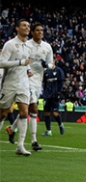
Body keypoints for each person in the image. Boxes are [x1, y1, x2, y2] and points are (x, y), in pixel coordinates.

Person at [8, 22, 54, 151]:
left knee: (26, 109)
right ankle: (34, 141)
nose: (40, 32)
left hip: (38, 81)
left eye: (42, 30)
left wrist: (47, 66)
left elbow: (52, 64)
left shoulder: (47, 47)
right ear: (32, 32)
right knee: (33, 108)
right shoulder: (26, 45)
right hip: (25, 78)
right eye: (37, 30)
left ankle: (11, 129)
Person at [0, 19, 33, 156]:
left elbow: (27, 62)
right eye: (24, 25)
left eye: (28, 26)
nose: (27, 28)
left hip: (24, 84)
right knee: (3, 113)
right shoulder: (10, 44)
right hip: (10, 83)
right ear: (17, 28)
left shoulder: (29, 46)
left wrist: (28, 69)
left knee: (24, 112)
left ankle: (20, 146)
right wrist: (21, 63)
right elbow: (1, 63)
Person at [41, 65, 66, 136]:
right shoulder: (46, 72)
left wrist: (59, 92)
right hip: (47, 95)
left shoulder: (59, 70)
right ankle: (48, 131)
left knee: (54, 112)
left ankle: (60, 124)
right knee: (46, 112)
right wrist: (44, 93)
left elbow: (61, 83)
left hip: (55, 94)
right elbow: (45, 83)